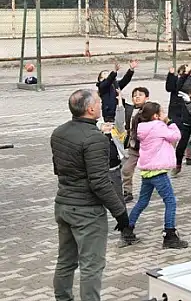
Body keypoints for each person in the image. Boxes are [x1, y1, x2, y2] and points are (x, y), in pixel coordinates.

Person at [50, 88, 131, 301]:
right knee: (91, 266)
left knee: (66, 261)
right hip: (86, 211)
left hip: (64, 204)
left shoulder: (59, 132)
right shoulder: (95, 138)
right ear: (90, 108)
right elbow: (100, 182)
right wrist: (120, 213)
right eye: (98, 101)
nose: (101, 104)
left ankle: (63, 298)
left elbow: (58, 169)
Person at [124, 102, 188, 249]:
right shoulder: (158, 126)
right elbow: (176, 136)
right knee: (170, 201)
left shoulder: (141, 127)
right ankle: (170, 235)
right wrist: (169, 122)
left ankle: (127, 230)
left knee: (142, 202)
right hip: (158, 171)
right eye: (162, 111)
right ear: (155, 115)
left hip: (147, 170)